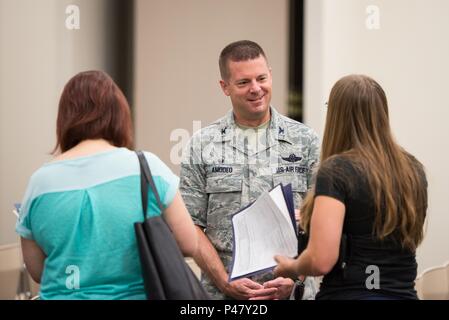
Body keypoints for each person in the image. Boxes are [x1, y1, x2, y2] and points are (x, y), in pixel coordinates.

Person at [16, 70, 198, 299]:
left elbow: (38, 271)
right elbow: (189, 243)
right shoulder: (146, 168)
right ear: (118, 115)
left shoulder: (39, 182)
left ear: (64, 118)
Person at [180, 40, 320, 300]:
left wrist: (295, 279)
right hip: (223, 297)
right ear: (225, 87)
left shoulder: (306, 141)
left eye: (262, 78)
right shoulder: (201, 145)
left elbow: (321, 220)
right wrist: (224, 282)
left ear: (271, 75)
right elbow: (191, 226)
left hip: (291, 294)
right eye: (244, 82)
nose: (256, 89)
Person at [274, 74, 428, 300]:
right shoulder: (413, 169)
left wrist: (292, 267)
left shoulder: (336, 171)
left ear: (338, 115)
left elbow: (320, 260)